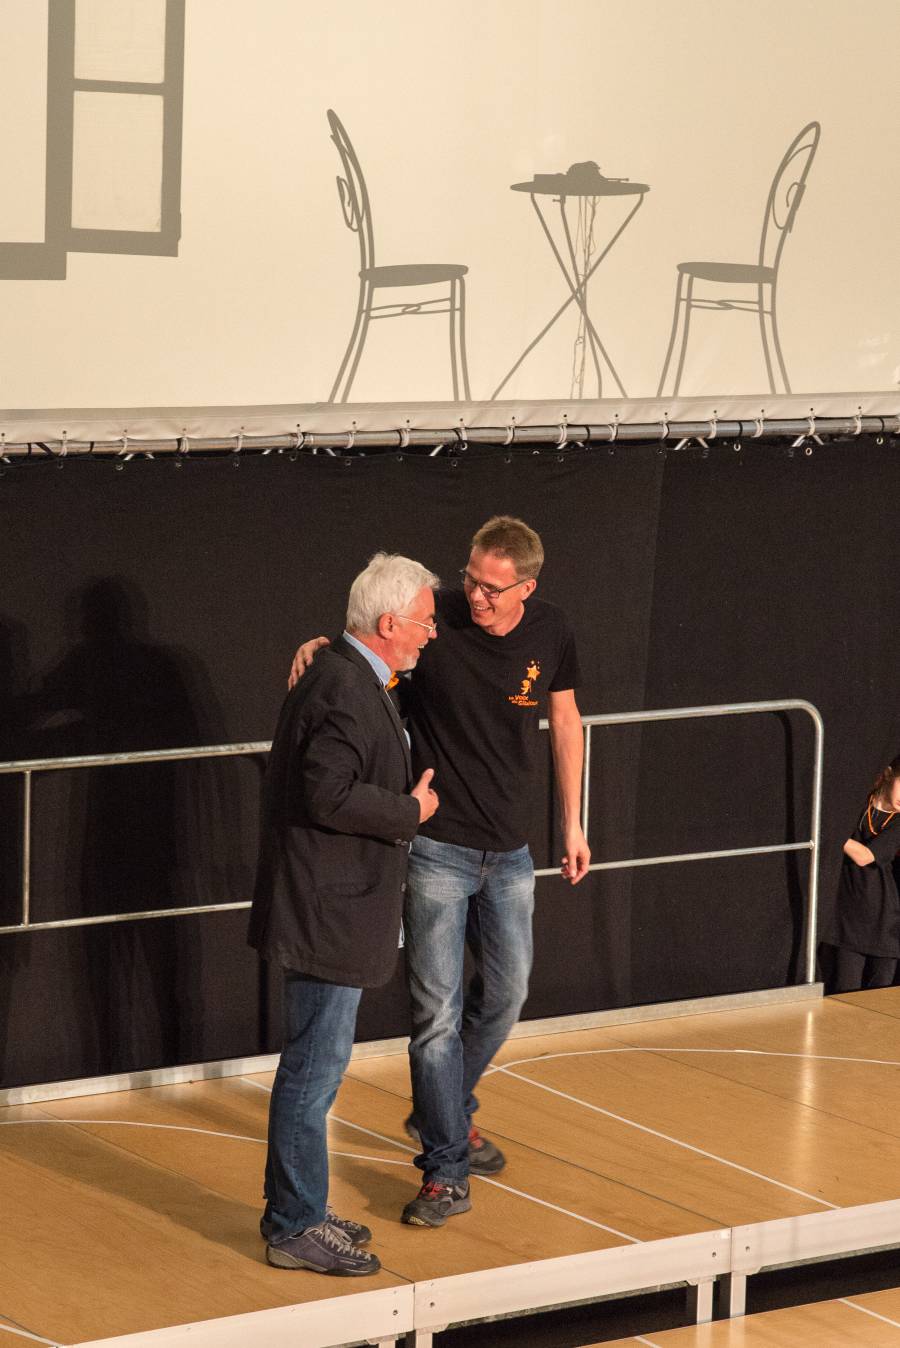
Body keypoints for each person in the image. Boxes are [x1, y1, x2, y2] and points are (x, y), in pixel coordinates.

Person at [291, 516, 590, 1228]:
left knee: (507, 996)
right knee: (436, 1020)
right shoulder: (438, 620)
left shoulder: (552, 630)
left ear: (526, 588)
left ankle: (445, 1108)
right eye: (471, 580)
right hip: (437, 848)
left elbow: (566, 720)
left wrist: (573, 822)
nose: (476, 597)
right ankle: (445, 1171)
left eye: (492, 588)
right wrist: (319, 646)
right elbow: (372, 641)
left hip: (510, 850)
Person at [249, 552, 440, 1274]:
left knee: (316, 1069)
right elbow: (328, 794)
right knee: (312, 1072)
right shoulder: (342, 686)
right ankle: (294, 1225)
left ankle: (300, 1207)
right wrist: (409, 811)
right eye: (424, 622)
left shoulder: (347, 672)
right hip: (326, 913)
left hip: (330, 907)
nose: (429, 634)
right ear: (389, 623)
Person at [830, 756, 900, 993]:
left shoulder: (898, 822)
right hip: (847, 920)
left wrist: (831, 835)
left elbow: (865, 856)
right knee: (844, 994)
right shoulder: (858, 805)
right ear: (889, 774)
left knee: (877, 998)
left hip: (882, 920)